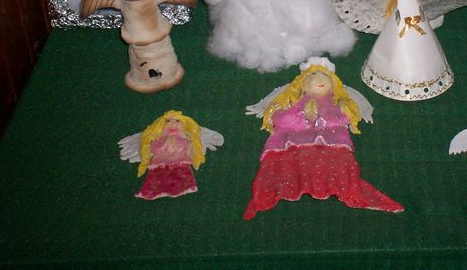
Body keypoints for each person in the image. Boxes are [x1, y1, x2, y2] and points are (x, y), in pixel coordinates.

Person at [244, 60, 404, 219]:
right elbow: (279, 118)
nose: (320, 79)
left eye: (325, 76)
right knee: (286, 164)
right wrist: (302, 115)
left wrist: (324, 116)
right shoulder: (292, 101)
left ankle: (332, 183)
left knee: (338, 165)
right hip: (290, 142)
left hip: (332, 143)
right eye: (313, 75)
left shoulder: (338, 102)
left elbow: (343, 117)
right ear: (302, 83)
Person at [135, 111, 206, 200]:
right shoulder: (157, 140)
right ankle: (156, 191)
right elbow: (153, 149)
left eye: (177, 121)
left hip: (180, 164)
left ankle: (180, 188)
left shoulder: (186, 140)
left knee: (180, 178)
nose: (173, 124)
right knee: (157, 179)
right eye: (168, 121)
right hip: (160, 164)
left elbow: (189, 150)